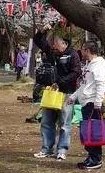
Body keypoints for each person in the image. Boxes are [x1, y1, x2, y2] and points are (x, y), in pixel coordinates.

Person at [33, 24, 81, 161]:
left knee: (64, 123)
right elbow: (38, 40)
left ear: (65, 43)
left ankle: (61, 150)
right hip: (51, 92)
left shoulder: (73, 55)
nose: (54, 45)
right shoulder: (52, 53)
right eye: (53, 42)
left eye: (57, 42)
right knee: (47, 121)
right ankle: (46, 149)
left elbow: (76, 72)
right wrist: (44, 30)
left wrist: (60, 82)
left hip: (66, 92)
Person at [68, 41, 105, 170]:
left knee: (94, 131)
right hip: (86, 102)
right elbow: (85, 85)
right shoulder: (89, 65)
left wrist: (98, 101)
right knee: (88, 131)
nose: (81, 52)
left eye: (83, 49)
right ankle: (91, 156)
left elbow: (100, 83)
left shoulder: (99, 65)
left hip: (93, 103)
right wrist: (74, 96)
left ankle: (96, 159)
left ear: (88, 50)